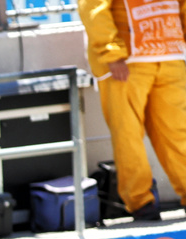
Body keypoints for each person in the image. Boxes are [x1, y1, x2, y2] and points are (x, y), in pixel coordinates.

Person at [80, 0, 186, 220]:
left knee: (179, 132)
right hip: (127, 61)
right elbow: (93, 8)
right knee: (127, 134)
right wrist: (112, 53)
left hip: (170, 56)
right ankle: (141, 203)